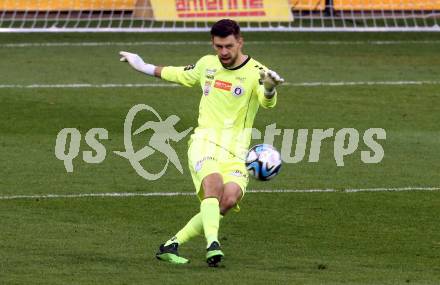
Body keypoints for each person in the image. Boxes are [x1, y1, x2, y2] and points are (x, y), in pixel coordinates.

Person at [119, 19, 284, 267]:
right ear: (213, 44)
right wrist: (142, 66)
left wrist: (270, 89)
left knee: (228, 200)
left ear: (240, 42)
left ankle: (170, 245)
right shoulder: (207, 65)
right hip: (204, 143)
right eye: (218, 46)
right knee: (213, 186)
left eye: (228, 46)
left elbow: (266, 101)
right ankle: (213, 245)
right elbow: (176, 73)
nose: (224, 52)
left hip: (236, 152)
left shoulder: (257, 72)